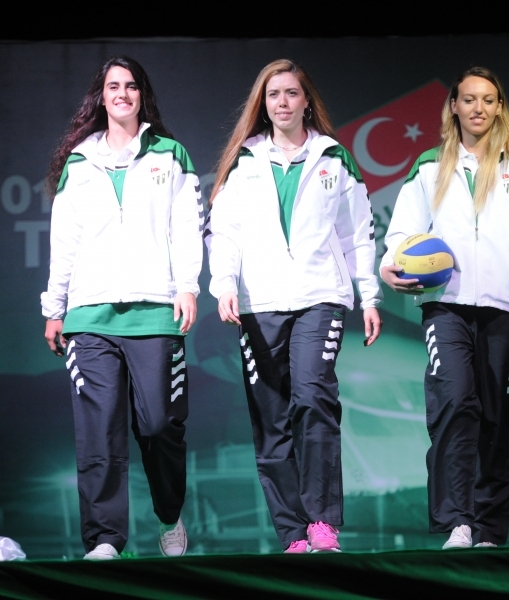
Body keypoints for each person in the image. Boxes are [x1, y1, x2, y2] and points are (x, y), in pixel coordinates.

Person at [204, 59, 382, 554]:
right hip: (258, 302)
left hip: (320, 296)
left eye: (291, 93)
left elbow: (357, 234)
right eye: (273, 94)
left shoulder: (333, 158)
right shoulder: (244, 161)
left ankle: (323, 522)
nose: (282, 102)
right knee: (271, 416)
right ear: (263, 105)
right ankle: (292, 533)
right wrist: (224, 284)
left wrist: (369, 295)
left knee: (313, 398)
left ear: (306, 101)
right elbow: (224, 232)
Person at [380, 67, 509, 549]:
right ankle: (457, 521)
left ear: (499, 108)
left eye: (488, 100)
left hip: (504, 308)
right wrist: (390, 265)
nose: (479, 108)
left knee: (497, 414)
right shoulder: (430, 167)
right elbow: (403, 231)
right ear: (453, 105)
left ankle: (489, 529)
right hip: (446, 307)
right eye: (470, 99)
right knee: (454, 403)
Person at [41, 56, 203, 560]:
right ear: (101, 96)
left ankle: (169, 514)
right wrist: (55, 306)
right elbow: (64, 241)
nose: (122, 94)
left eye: (131, 86)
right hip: (89, 316)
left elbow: (186, 227)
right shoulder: (78, 162)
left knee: (159, 425)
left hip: (155, 312)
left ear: (141, 95)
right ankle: (106, 538)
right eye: (113, 86)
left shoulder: (169, 154)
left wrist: (188, 286)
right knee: (99, 432)